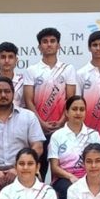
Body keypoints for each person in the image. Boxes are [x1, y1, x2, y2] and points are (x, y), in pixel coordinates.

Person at [23, 27, 77, 179]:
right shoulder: (32, 70)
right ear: (39, 46)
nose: (49, 44)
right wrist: (40, 123)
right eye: (45, 42)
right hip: (38, 130)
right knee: (38, 170)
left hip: (62, 128)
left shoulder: (68, 69)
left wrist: (61, 121)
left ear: (59, 45)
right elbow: (28, 100)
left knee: (61, 170)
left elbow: (70, 99)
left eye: (52, 41)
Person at [47, 95, 100, 199]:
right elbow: (54, 167)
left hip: (90, 175)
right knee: (67, 188)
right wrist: (70, 176)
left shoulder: (93, 135)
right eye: (74, 109)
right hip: (64, 177)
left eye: (81, 109)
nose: (78, 113)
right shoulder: (58, 135)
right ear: (66, 112)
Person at [76, 31, 100, 135]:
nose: (98, 48)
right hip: (87, 126)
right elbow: (78, 101)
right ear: (89, 48)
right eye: (94, 45)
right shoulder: (81, 73)